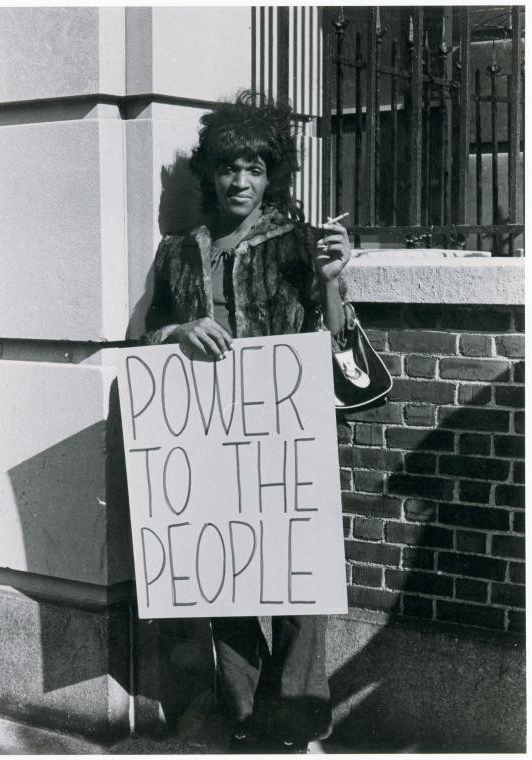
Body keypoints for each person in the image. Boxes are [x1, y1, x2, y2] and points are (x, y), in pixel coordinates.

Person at [143, 91, 351, 753]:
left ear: (272, 176)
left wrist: (333, 280)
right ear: (212, 173)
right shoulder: (179, 252)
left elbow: (337, 343)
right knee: (226, 585)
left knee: (299, 590)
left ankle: (298, 724)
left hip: (284, 441)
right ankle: (246, 721)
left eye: (255, 168)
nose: (241, 180)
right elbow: (143, 342)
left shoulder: (298, 245)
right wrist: (178, 329)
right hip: (206, 442)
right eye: (230, 167)